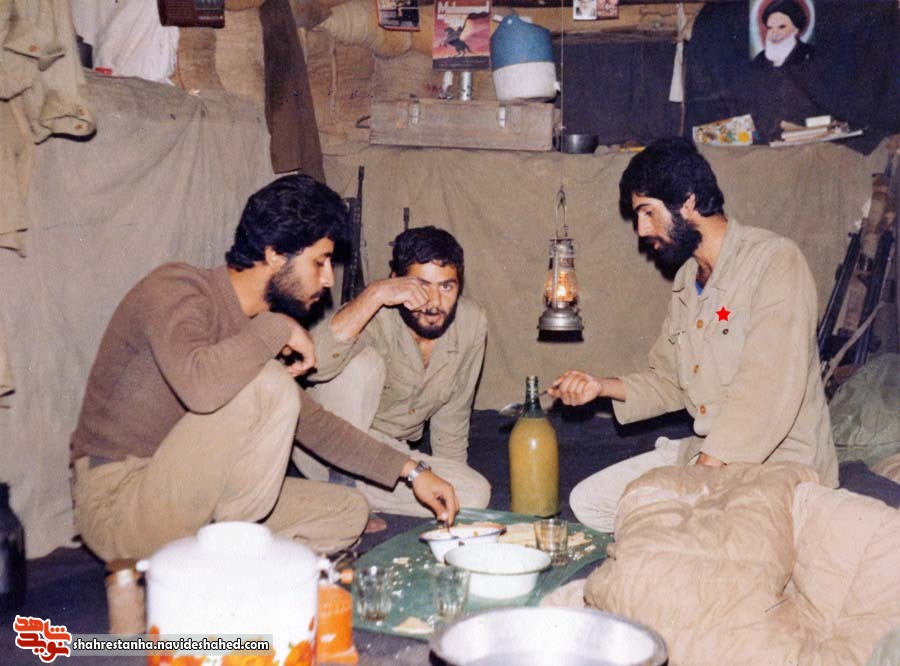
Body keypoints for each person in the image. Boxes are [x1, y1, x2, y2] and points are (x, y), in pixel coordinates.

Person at [70, 175, 459, 562]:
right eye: (319, 262)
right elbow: (200, 386)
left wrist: (413, 472)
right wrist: (277, 327)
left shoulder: (253, 332)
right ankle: (227, 564)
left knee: (347, 511)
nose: (328, 279)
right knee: (271, 383)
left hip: (201, 496)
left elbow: (317, 427)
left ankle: (204, 554)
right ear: (275, 254)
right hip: (121, 501)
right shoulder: (176, 287)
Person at [549, 138, 838, 532]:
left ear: (687, 201)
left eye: (648, 212)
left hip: (775, 464)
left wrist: (698, 478)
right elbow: (669, 380)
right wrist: (600, 387)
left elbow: (765, 389)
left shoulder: (775, 261)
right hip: (706, 453)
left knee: (689, 527)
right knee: (591, 502)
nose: (641, 230)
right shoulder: (689, 278)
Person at [295, 226, 491, 518]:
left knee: (474, 493)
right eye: (422, 286)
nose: (434, 303)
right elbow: (313, 364)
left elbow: (454, 416)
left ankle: (350, 496)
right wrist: (374, 294)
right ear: (396, 282)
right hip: (328, 446)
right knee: (363, 364)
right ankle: (341, 494)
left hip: (391, 457)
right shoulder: (370, 311)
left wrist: (449, 480)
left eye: (446, 287)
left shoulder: (471, 323)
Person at [752, 0, 814, 68]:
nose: (774, 34)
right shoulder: (760, 60)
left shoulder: (810, 55)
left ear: (795, 30)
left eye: (781, 27)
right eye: (770, 28)